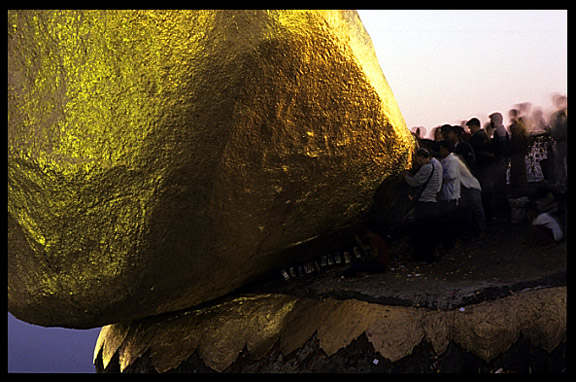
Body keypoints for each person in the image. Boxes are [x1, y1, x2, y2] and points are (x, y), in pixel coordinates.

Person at [404, 148, 443, 263]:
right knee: (428, 231)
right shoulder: (434, 166)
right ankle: (428, 256)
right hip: (432, 202)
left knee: (422, 231)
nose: (416, 161)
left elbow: (415, 182)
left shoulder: (427, 168)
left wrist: (405, 176)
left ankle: (423, 256)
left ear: (422, 157)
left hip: (425, 203)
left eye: (417, 158)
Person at [467, 117, 496, 220]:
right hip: (486, 167)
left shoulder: (477, 137)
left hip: (481, 167)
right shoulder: (484, 136)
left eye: (470, 127)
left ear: (475, 126)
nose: (470, 130)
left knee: (484, 192)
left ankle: (487, 216)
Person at [437, 140, 461, 247]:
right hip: (445, 194)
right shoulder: (444, 160)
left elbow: (451, 175)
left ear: (446, 149)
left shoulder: (452, 161)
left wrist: (439, 176)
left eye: (441, 149)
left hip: (451, 195)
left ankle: (452, 241)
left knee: (451, 220)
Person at [508, 109, 529, 196]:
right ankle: (520, 191)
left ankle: (518, 191)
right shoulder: (521, 127)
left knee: (517, 172)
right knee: (519, 173)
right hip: (519, 152)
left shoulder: (517, 127)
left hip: (517, 152)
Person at [550, 94, 567, 192]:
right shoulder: (556, 116)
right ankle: (561, 181)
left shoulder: (557, 116)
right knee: (559, 162)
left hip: (562, 141)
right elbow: (553, 128)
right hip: (560, 141)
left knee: (559, 162)